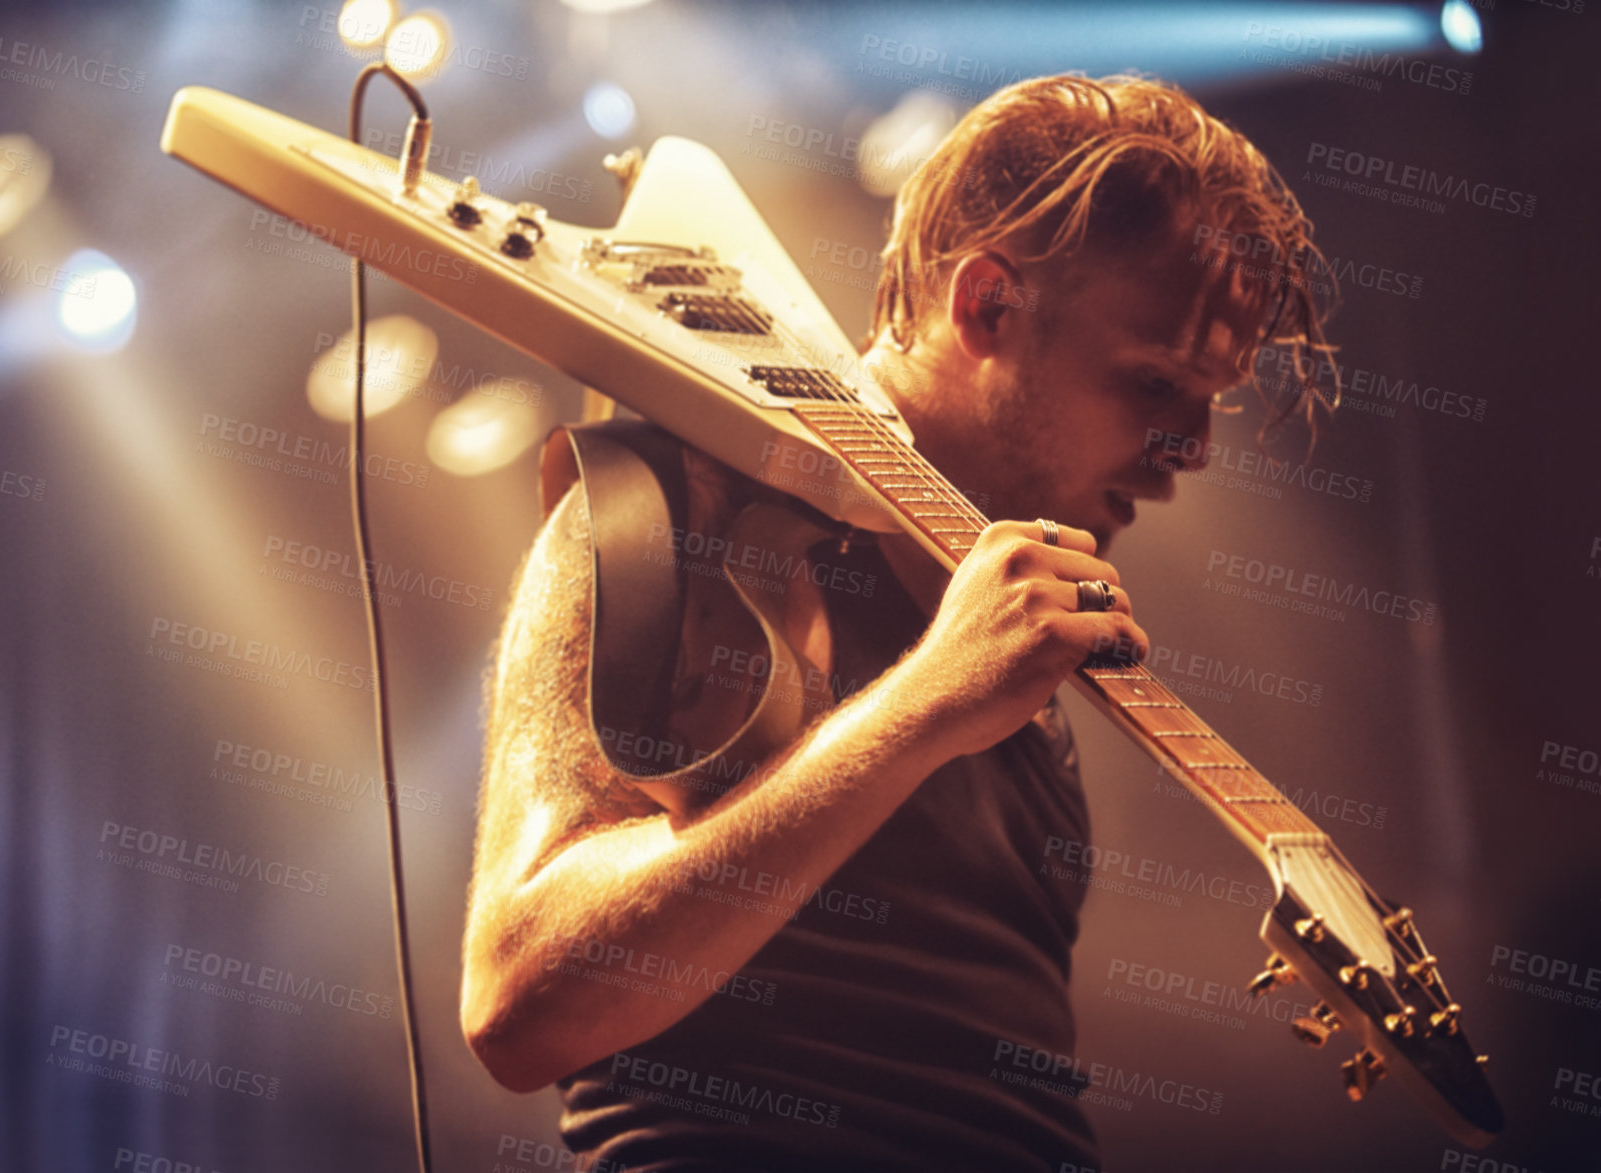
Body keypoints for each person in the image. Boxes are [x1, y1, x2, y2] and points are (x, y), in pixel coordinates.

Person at [460, 74, 1333, 1171]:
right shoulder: (675, 507)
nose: (1193, 449)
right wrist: (926, 701)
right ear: (986, 307)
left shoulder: (1023, 652)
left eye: (1209, 402)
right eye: (1154, 381)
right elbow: (520, 998)